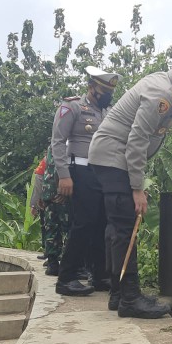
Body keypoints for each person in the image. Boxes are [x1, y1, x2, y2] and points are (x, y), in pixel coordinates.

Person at [89, 59, 172, 318]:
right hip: (114, 156)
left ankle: (118, 293)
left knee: (116, 228)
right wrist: (137, 188)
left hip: (112, 157)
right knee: (126, 225)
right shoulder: (160, 94)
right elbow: (137, 140)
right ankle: (130, 298)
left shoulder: (170, 88)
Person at [52, 66, 120, 296]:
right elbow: (58, 142)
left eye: (110, 91)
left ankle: (100, 275)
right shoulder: (72, 107)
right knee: (83, 223)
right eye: (103, 90)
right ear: (91, 87)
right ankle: (67, 277)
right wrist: (64, 175)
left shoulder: (109, 111)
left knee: (102, 223)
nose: (107, 94)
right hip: (79, 170)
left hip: (103, 173)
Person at [41, 145, 70, 276]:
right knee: (68, 227)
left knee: (51, 228)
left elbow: (47, 170)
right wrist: (61, 191)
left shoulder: (52, 147)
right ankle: (65, 263)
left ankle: (52, 263)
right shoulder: (63, 146)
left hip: (48, 191)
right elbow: (59, 168)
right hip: (59, 193)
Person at [29, 157, 46, 260]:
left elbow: (38, 184)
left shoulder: (47, 159)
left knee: (47, 227)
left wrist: (34, 205)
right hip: (48, 200)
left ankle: (49, 252)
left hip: (46, 200)